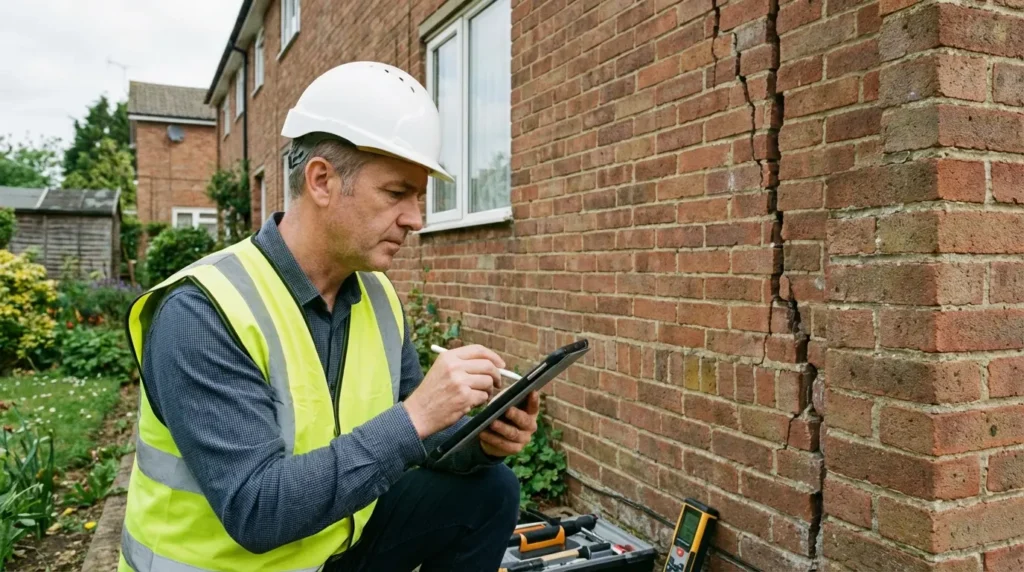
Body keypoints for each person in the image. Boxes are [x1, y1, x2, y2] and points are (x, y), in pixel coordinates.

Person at [118, 61, 538, 572]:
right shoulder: (202, 311)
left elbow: (419, 441)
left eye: (419, 198)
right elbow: (257, 511)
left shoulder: (379, 299)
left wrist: (481, 442)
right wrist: (416, 415)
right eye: (396, 193)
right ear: (321, 180)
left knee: (489, 490)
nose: (416, 218)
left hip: (326, 549)